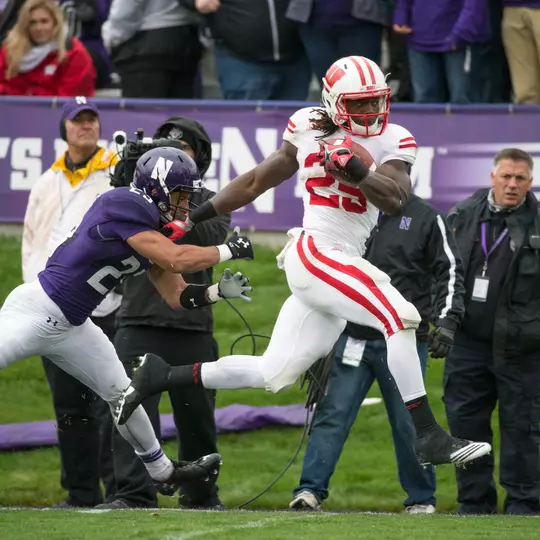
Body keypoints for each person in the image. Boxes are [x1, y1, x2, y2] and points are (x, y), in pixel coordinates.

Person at [116, 55, 491, 469]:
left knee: (275, 374)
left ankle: (159, 376)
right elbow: (258, 179)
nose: (370, 112)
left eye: (375, 101)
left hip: (341, 257)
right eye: (359, 103)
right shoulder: (308, 125)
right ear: (332, 101)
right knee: (400, 317)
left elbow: (396, 198)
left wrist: (359, 170)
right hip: (316, 250)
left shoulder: (395, 138)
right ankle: (427, 435)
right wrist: (191, 218)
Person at [0, 145, 255, 496]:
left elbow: (175, 295)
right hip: (36, 309)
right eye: (180, 195)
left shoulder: (148, 229)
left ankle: (162, 472)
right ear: (157, 187)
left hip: (73, 325)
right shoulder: (124, 202)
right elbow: (178, 258)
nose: (184, 205)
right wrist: (229, 250)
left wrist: (216, 293)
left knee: (123, 393)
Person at [290, 194, 466, 513]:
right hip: (352, 336)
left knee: (408, 421)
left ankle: (421, 498)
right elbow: (321, 274)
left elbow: (449, 271)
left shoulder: (426, 218)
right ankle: (309, 490)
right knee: (332, 413)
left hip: (402, 338)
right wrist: (319, 335)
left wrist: (447, 320)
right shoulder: (348, 214)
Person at [97, 116, 230, 510]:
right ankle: (133, 495)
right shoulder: (134, 196)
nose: (172, 155)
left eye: (184, 149)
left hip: (191, 326)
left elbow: (211, 235)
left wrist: (174, 202)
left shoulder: (210, 201)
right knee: (129, 413)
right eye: (165, 148)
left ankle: (202, 496)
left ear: (200, 159)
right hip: (137, 320)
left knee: (197, 420)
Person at [22, 97, 118, 508]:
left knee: (110, 402)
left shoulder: (115, 172)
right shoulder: (46, 181)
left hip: (103, 307)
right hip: (50, 309)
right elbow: (30, 241)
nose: (86, 126)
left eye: (91, 119)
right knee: (69, 408)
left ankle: (120, 491)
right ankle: (80, 492)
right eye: (77, 120)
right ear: (63, 129)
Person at [444, 148, 540, 515]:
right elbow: (442, 274)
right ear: (492, 177)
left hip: (523, 348)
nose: (512, 185)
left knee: (522, 429)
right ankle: (474, 503)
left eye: (520, 179)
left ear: (530, 182)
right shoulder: (460, 216)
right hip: (467, 343)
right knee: (466, 427)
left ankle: (524, 505)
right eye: (506, 177)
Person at [0, 0, 96, 96]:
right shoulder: (10, 50)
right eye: (32, 22)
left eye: (44, 21)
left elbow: (69, 99)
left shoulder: (74, 53)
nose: (38, 28)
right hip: (12, 109)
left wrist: (30, 95)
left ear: (55, 23)